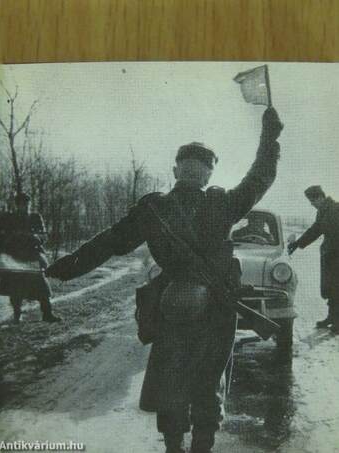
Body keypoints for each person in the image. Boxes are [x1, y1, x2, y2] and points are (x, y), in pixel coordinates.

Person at [46, 107, 283, 453]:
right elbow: (260, 177)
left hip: (172, 304)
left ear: (178, 171)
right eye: (199, 167)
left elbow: (108, 242)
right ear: (206, 175)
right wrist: (270, 138)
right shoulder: (223, 203)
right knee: (207, 381)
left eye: (192, 166)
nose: (194, 170)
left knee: (171, 378)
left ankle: (174, 446)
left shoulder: (153, 209)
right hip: (216, 308)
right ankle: (202, 446)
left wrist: (63, 268)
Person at [0, 192, 60, 323]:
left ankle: (47, 314)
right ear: (17, 205)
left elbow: (43, 236)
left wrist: (35, 237)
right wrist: (14, 237)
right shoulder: (9, 219)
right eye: (22, 204)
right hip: (15, 256)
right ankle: (16, 315)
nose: (25, 206)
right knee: (15, 286)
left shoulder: (35, 217)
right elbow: (3, 236)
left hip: (32, 255)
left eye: (27, 204)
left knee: (41, 284)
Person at [288, 186, 339, 334]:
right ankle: (331, 317)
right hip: (330, 255)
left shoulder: (336, 209)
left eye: (312, 200)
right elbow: (315, 230)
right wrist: (297, 244)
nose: (312, 204)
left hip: (336, 255)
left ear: (320, 197)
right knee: (330, 287)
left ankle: (337, 321)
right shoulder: (323, 212)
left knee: (337, 287)